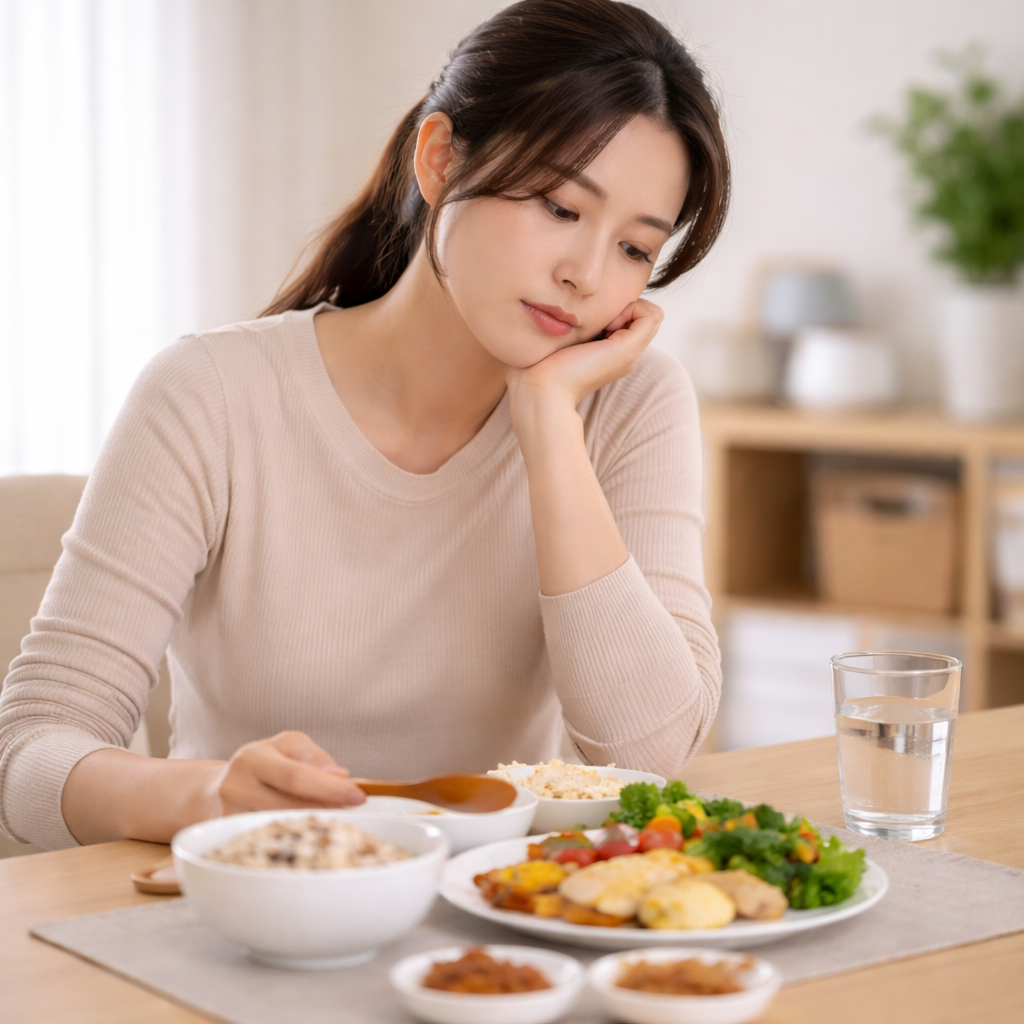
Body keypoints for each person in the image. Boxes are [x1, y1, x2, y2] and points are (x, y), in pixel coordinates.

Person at [0, 0, 729, 851]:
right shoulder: (209, 395)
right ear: (441, 159)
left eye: (636, 249)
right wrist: (205, 797)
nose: (585, 273)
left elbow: (651, 756)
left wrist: (547, 425)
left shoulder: (627, 403)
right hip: (248, 914)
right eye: (560, 207)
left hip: (499, 936)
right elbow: (29, 755)